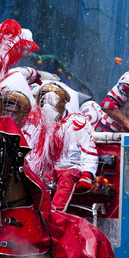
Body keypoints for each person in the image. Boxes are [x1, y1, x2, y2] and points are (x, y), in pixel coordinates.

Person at [23, 81, 98, 212]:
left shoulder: (78, 123)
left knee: (68, 176)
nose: (47, 106)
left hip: (72, 168)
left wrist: (87, 174)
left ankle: (55, 213)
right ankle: (40, 212)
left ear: (62, 104)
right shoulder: (34, 123)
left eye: (52, 102)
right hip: (47, 169)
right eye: (44, 101)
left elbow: (90, 152)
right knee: (44, 175)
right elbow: (29, 151)